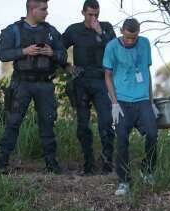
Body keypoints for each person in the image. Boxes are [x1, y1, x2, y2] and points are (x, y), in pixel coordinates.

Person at [0, 0, 67, 174]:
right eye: (44, 9)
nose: (47, 12)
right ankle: (2, 163)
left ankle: (51, 164)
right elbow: (3, 55)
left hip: (45, 84)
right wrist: (24, 51)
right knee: (13, 123)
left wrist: (52, 53)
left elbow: (63, 55)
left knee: (48, 124)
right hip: (21, 83)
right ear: (32, 9)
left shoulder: (51, 31)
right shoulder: (14, 30)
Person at [103, 18, 159, 196]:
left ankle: (147, 170)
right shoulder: (112, 47)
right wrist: (114, 103)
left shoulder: (144, 44)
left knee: (152, 133)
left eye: (134, 38)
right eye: (127, 37)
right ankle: (124, 181)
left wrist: (151, 101)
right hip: (122, 101)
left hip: (142, 99)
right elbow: (107, 76)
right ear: (122, 31)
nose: (130, 41)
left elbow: (146, 72)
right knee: (121, 140)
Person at [62, 0, 117, 175]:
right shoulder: (74, 30)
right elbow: (58, 48)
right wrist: (67, 66)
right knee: (83, 125)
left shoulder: (106, 27)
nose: (93, 18)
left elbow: (116, 50)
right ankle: (88, 164)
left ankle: (107, 161)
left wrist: (100, 32)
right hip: (82, 80)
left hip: (102, 80)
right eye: (90, 14)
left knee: (106, 122)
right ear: (83, 13)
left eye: (96, 14)